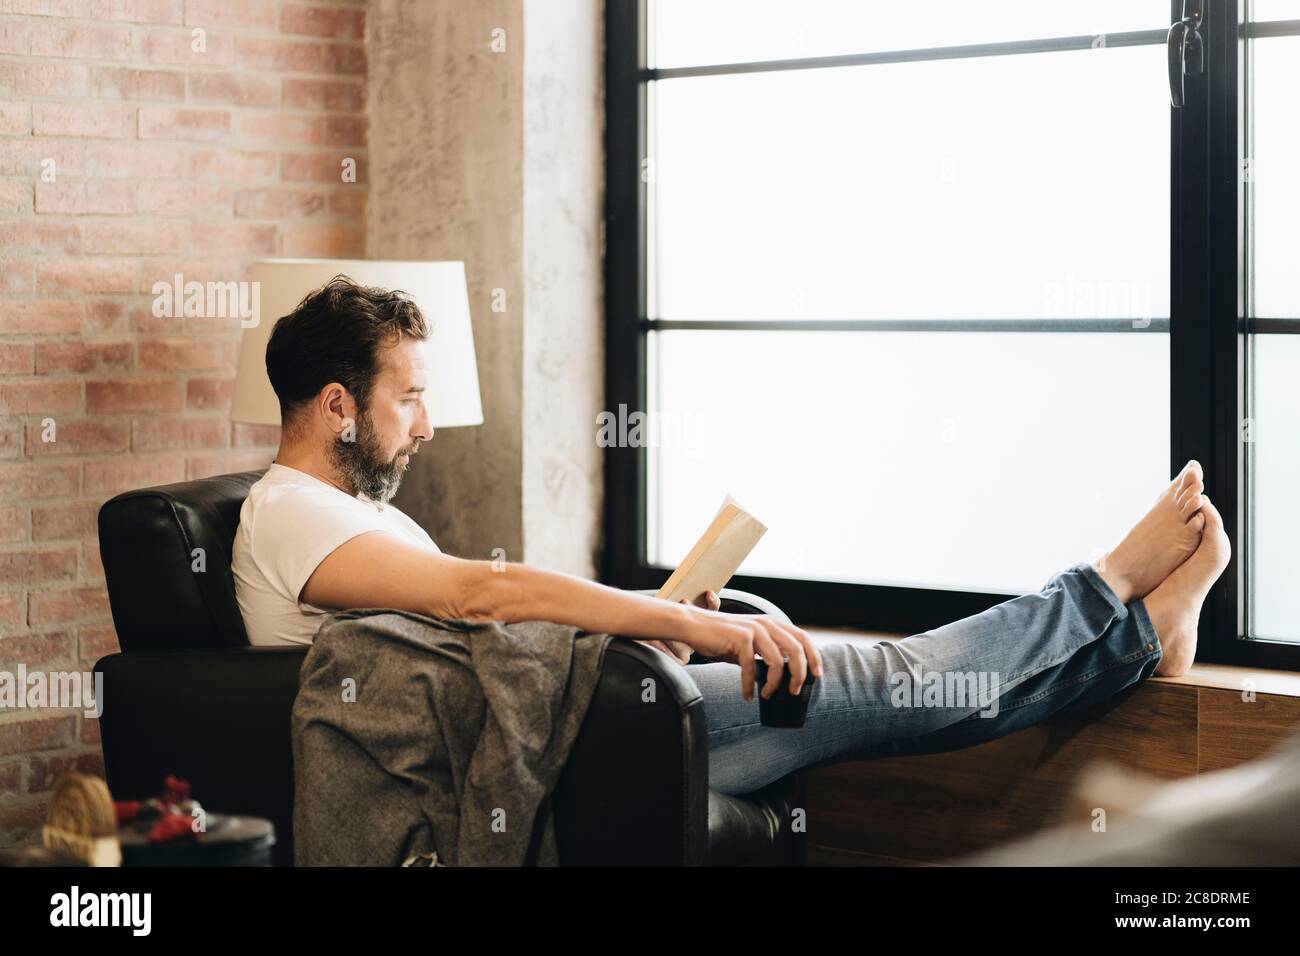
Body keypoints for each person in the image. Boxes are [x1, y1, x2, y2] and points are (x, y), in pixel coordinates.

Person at [232, 276, 1231, 797]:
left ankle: (1138, 636)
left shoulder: (368, 514)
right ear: (337, 406)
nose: (427, 422)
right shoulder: (286, 512)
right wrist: (684, 627)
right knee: (892, 681)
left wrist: (656, 626)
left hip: (576, 714)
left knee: (892, 687)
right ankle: (1107, 591)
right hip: (569, 742)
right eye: (407, 398)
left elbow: (481, 640)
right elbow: (474, 598)